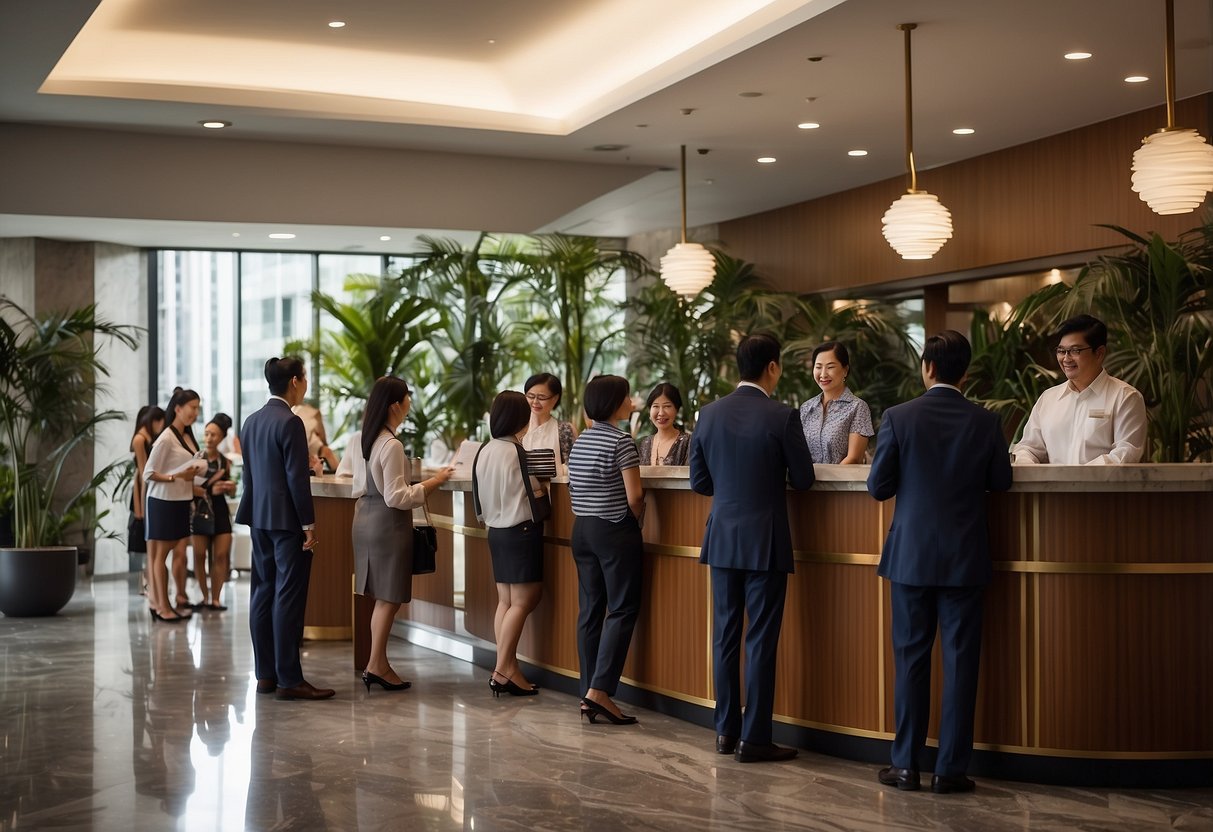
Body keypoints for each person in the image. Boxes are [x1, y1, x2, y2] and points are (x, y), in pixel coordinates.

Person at [867, 330, 1014, 794]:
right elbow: (1002, 481)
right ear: (965, 372)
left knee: (910, 660)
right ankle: (951, 771)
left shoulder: (898, 416)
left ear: (926, 367)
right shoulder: (986, 421)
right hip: (964, 556)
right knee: (961, 661)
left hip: (911, 556)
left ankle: (906, 765)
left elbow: (878, 487)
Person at [689, 333, 815, 762]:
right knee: (760, 639)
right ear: (773, 367)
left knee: (724, 636)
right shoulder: (782, 416)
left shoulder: (707, 415)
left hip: (722, 537)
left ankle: (725, 732)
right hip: (766, 540)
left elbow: (699, 482)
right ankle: (755, 738)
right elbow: (803, 479)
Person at [236, 357, 333, 701]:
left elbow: (250, 476)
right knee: (288, 597)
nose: (305, 385)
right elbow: (295, 479)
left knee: (262, 593)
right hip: (287, 523)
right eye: (304, 379)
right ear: (295, 381)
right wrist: (308, 524)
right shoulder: (289, 422)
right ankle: (290, 679)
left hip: (259, 517)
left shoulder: (250, 421)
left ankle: (266, 675)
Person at [352, 377, 454, 692]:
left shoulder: (363, 439)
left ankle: (376, 662)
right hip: (388, 523)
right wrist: (433, 482)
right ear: (396, 404)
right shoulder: (392, 444)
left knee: (381, 596)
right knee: (389, 597)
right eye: (407, 397)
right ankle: (377, 665)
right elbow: (397, 497)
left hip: (364, 519)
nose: (410, 403)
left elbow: (362, 484)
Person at [567, 375, 645, 725]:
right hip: (613, 530)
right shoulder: (621, 441)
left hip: (581, 530)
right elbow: (636, 496)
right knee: (622, 608)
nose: (631, 401)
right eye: (627, 397)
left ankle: (588, 693)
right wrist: (636, 519)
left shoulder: (581, 441)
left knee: (590, 610)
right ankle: (600, 692)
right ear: (616, 403)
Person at [472, 391, 548, 697]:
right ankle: (502, 669)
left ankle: (509, 667)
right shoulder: (517, 452)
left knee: (505, 601)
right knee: (525, 601)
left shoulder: (485, 450)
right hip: (522, 530)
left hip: (496, 532)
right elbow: (533, 492)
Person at [1011, 314, 1147, 464]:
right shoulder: (1048, 399)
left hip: (1102, 487)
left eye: (1075, 351)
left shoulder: (1125, 397)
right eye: (1061, 351)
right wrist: (1028, 464)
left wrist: (1074, 478)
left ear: (1099, 353)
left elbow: (1126, 454)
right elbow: (1029, 447)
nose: (1066, 358)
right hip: (1052, 487)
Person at [143, 389, 207, 622]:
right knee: (160, 555)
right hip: (163, 501)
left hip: (181, 500)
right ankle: (162, 606)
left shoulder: (187, 436)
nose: (195, 412)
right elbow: (148, 474)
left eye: (198, 408)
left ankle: (167, 604)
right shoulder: (166, 438)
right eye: (192, 407)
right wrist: (175, 477)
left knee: (176, 552)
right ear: (178, 409)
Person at [798, 341, 874, 464]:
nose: (823, 374)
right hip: (807, 482)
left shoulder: (858, 407)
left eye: (830, 367)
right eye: (818, 367)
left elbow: (854, 458)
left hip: (841, 482)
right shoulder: (806, 408)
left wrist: (826, 481)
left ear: (845, 370)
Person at [191, 414, 237, 611]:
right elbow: (186, 488)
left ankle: (216, 599)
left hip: (220, 509)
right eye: (207, 434)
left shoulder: (225, 462)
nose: (209, 438)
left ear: (222, 438)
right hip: (200, 510)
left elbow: (233, 491)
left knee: (221, 555)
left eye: (214, 435)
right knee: (200, 555)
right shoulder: (196, 459)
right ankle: (204, 596)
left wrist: (230, 487)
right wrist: (210, 490)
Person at [130, 405, 165, 592]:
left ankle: (151, 580)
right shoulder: (140, 439)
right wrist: (141, 506)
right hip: (143, 488)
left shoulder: (148, 438)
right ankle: (147, 580)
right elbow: (143, 472)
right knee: (145, 535)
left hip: (148, 486)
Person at [520, 372, 576, 466]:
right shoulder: (517, 428)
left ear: (555, 398)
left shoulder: (565, 429)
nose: (535, 402)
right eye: (530, 396)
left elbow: (573, 466)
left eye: (541, 397)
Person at [636, 382, 691, 466]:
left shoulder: (688, 442)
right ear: (649, 410)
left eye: (667, 406)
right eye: (655, 406)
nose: (661, 413)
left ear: (677, 410)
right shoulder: (641, 444)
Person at [292, 402, 340, 473]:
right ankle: (339, 473)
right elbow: (321, 433)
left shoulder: (293, 410)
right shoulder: (315, 413)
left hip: (295, 448)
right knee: (327, 452)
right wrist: (325, 444)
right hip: (311, 447)